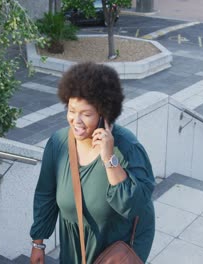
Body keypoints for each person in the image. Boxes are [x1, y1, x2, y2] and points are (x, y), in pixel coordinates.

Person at [29, 62, 156, 264]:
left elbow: (138, 206)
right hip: (73, 250)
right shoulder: (58, 143)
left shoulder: (128, 148)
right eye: (71, 110)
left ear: (103, 114)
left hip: (112, 254)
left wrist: (109, 158)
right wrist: (38, 243)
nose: (76, 121)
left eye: (86, 114)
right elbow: (45, 195)